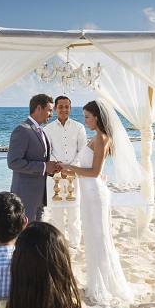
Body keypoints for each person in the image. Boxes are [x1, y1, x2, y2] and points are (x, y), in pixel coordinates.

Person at [60, 99, 144, 305]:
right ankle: (99, 281)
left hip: (94, 193)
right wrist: (69, 168)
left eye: (88, 117)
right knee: (94, 236)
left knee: (99, 237)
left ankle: (105, 284)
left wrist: (70, 169)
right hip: (89, 192)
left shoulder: (102, 139)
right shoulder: (97, 137)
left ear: (97, 117)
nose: (85, 121)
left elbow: (95, 172)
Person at [7, 93, 61, 222]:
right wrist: (43, 167)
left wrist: (51, 167)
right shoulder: (22, 130)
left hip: (39, 197)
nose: (52, 114)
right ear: (38, 108)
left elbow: (41, 160)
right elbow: (13, 162)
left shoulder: (42, 132)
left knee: (36, 237)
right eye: (49, 110)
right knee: (25, 236)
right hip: (25, 197)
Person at [43, 95, 88, 247]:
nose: (64, 109)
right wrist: (59, 167)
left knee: (74, 212)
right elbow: (48, 151)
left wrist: (70, 168)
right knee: (56, 214)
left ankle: (74, 244)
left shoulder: (79, 127)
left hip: (74, 174)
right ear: (55, 109)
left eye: (66, 106)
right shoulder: (47, 129)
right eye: (60, 107)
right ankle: (59, 244)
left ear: (70, 108)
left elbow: (82, 150)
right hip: (54, 175)